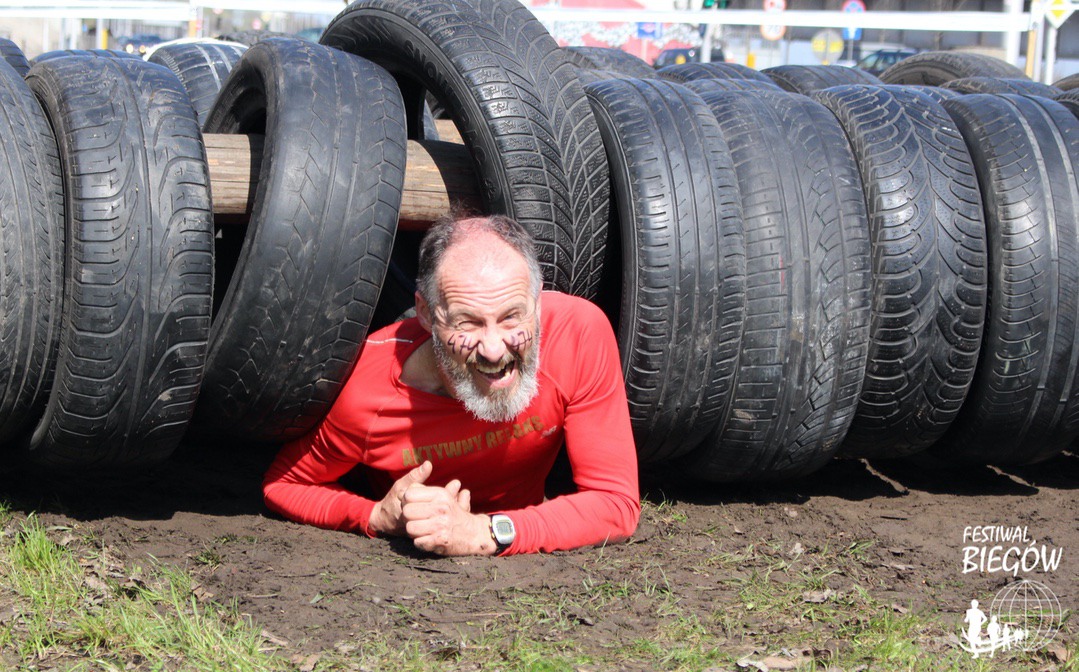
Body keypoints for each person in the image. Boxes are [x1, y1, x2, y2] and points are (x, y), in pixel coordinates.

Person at [262, 214, 640, 556]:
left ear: (538, 303)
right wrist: (376, 516)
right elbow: (283, 485)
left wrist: (483, 532)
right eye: (467, 323)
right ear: (426, 314)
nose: (494, 349)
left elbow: (614, 503)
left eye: (511, 317)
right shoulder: (366, 391)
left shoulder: (577, 334)